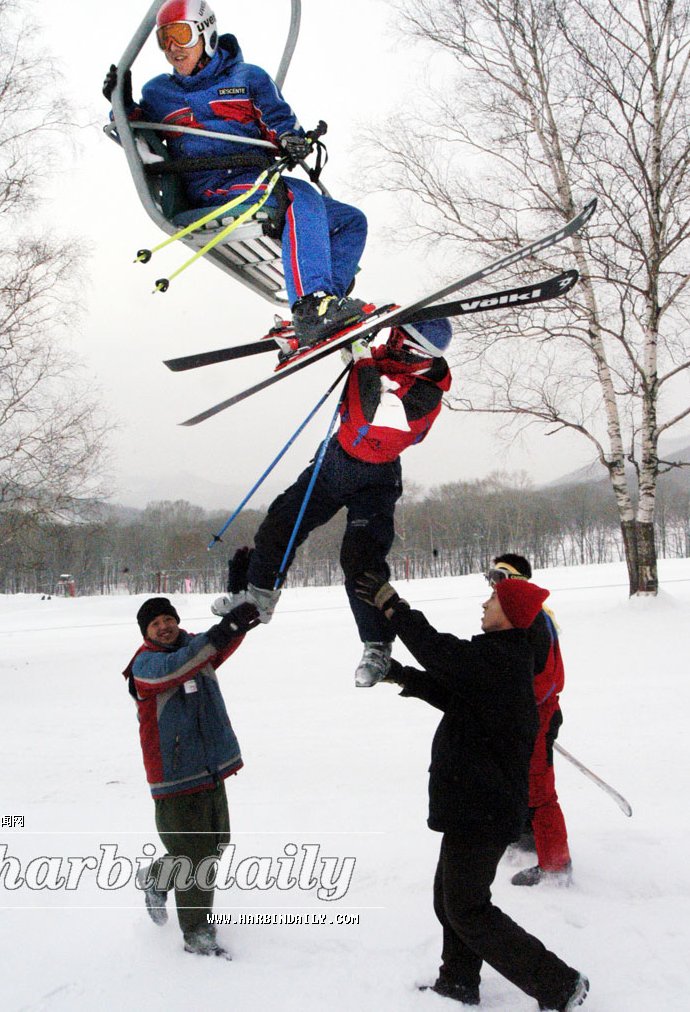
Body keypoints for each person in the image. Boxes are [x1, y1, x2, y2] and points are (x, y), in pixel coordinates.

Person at [350, 570, 589, 1010]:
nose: (484, 605)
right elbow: (453, 693)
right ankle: (458, 982)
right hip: (473, 800)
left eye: (493, 600)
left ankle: (559, 983)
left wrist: (392, 605)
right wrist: (400, 675)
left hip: (485, 804)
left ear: (512, 615)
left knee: (467, 908)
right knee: (451, 902)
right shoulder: (500, 658)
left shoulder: (502, 659)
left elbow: (438, 651)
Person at [103, 0, 371, 347]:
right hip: (210, 183)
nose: (172, 48)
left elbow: (277, 121)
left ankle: (323, 305)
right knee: (299, 196)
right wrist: (120, 104)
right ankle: (311, 308)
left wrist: (290, 140)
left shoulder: (248, 79)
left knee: (351, 221)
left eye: (181, 35)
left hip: (257, 178)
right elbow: (135, 131)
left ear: (206, 34)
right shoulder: (159, 92)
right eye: (164, 39)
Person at [211, 317, 452, 686]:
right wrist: (318, 334)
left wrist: (361, 359)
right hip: (336, 464)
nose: (391, 344)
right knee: (281, 521)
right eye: (393, 336)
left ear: (418, 352)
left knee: (360, 559)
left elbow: (369, 414)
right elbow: (349, 349)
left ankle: (377, 645)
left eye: (400, 342)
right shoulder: (391, 359)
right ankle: (259, 597)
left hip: (376, 479)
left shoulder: (425, 395)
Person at [122, 593, 260, 957]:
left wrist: (242, 614)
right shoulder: (145, 666)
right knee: (194, 859)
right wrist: (223, 629)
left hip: (210, 766)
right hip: (174, 776)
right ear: (146, 632)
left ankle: (156, 878)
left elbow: (217, 646)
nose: (165, 627)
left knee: (214, 844)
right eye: (156, 624)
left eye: (169, 619)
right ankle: (197, 933)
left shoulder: (195, 648)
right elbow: (182, 663)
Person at [488, 554, 572, 886]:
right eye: (490, 576)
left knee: (540, 791)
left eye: (499, 575)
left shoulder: (535, 618)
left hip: (538, 716)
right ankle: (527, 835)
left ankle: (555, 865)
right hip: (525, 716)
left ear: (517, 578)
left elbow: (547, 678)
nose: (493, 583)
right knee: (519, 780)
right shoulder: (517, 616)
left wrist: (515, 705)